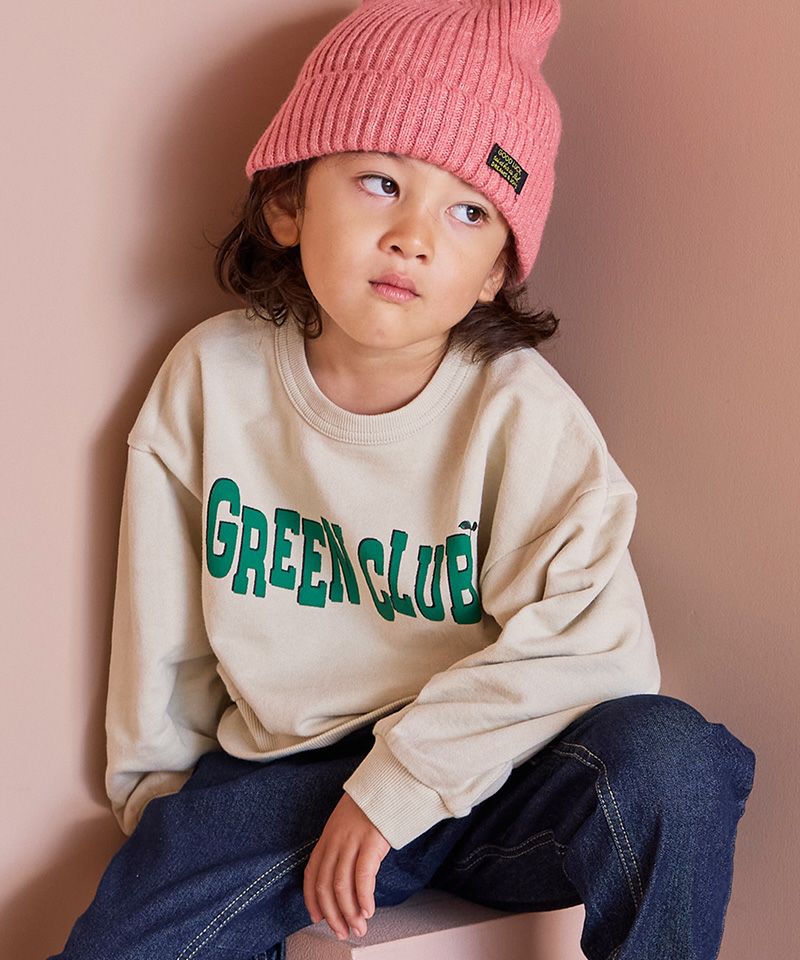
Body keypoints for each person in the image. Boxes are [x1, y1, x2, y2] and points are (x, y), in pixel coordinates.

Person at [48, 2, 756, 958]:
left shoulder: (521, 413)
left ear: (496, 269)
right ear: (289, 202)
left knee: (677, 758)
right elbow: (161, 641)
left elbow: (597, 646)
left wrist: (399, 787)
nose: (414, 237)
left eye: (468, 211)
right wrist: (170, 829)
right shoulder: (213, 378)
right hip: (289, 787)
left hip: (493, 777)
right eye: (380, 182)